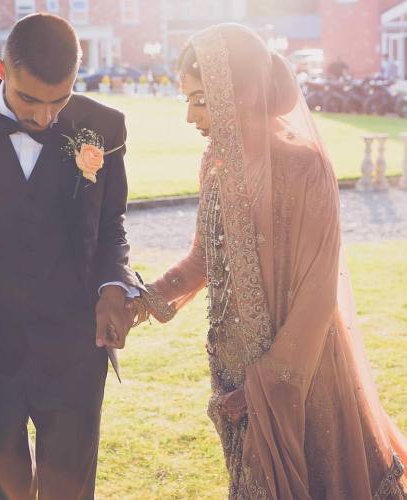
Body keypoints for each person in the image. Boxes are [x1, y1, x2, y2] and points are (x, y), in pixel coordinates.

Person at [134, 24, 407, 499]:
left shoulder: (303, 167)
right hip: (234, 367)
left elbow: (316, 295)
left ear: (237, 93)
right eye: (187, 99)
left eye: (199, 99)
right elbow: (204, 255)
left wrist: (266, 386)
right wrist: (147, 297)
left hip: (304, 375)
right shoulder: (215, 160)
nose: (188, 116)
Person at [0, 13, 140, 499]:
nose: (44, 117)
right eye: (29, 99)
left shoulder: (104, 125)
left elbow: (112, 226)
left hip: (77, 347)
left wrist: (115, 285)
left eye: (60, 100)